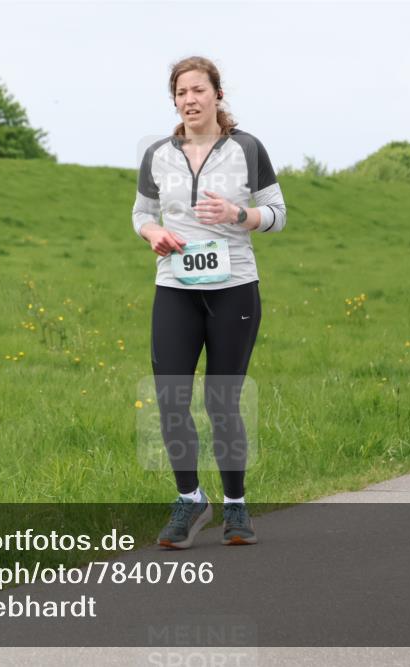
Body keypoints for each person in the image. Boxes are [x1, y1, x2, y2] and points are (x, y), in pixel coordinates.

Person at [132, 56, 286, 548]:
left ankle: (237, 507)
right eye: (181, 93)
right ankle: (191, 498)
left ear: (218, 95)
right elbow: (142, 212)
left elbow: (279, 214)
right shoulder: (158, 153)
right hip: (175, 287)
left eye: (198, 90)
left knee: (222, 400)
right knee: (170, 398)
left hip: (234, 287)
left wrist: (239, 213)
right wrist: (153, 232)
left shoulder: (247, 148)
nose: (190, 100)